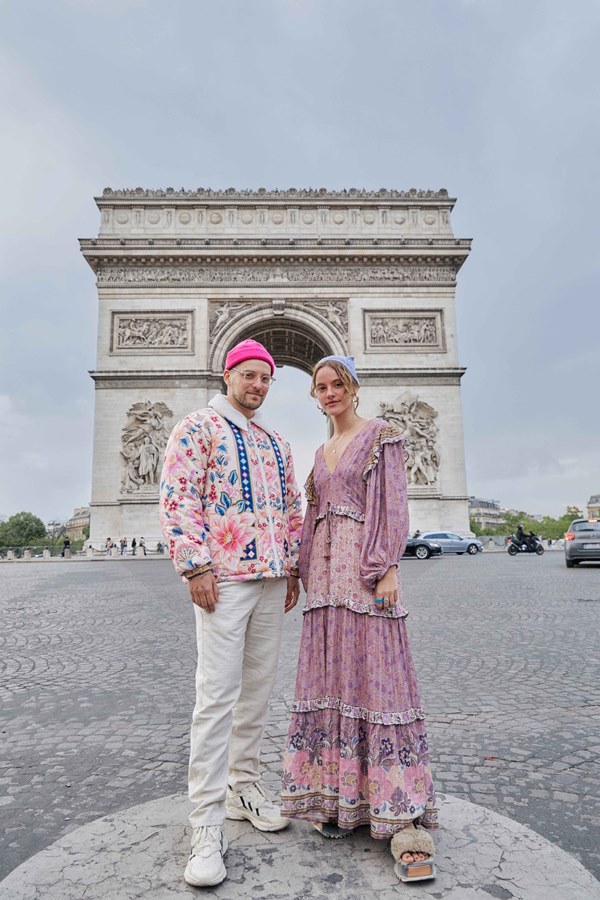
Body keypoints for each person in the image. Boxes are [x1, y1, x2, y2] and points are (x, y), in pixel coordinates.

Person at [280, 356, 438, 884]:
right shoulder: (321, 452)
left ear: (353, 387)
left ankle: (404, 816)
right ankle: (343, 799)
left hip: (362, 575)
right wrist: (298, 572)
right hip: (324, 586)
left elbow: (391, 505)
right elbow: (311, 518)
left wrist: (387, 565)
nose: (329, 393)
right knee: (334, 683)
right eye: (320, 387)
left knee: (379, 681)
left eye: (336, 384)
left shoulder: (381, 436)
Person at [160, 338, 303, 888]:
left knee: (258, 693)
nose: (258, 385)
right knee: (216, 697)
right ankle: (205, 824)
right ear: (228, 376)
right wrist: (195, 566)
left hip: (270, 581)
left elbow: (293, 508)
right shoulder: (197, 427)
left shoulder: (275, 441)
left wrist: (291, 567)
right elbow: (178, 495)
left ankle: (244, 786)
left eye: (265, 378)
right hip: (223, 581)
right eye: (248, 376)